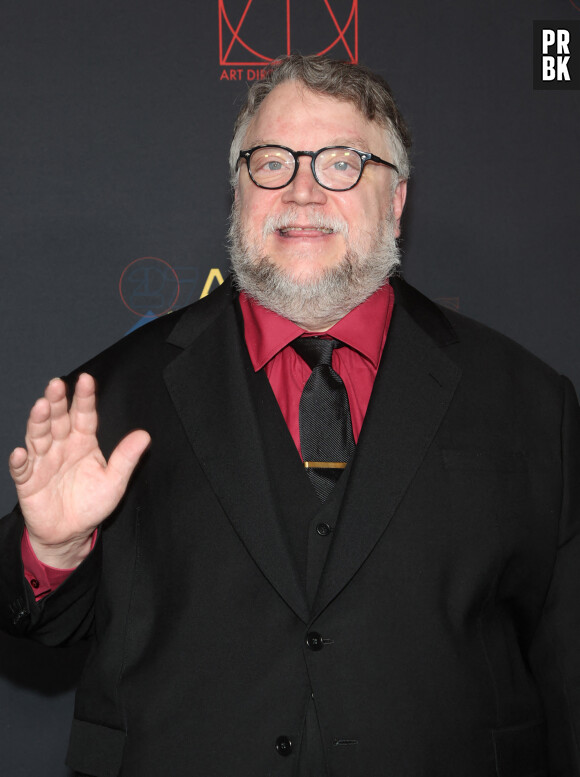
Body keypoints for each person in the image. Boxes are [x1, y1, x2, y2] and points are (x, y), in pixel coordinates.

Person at [1, 53, 579, 777]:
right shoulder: (112, 391)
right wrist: (52, 552)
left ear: (395, 198)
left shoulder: (527, 399)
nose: (302, 190)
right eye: (271, 162)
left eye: (340, 162)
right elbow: (42, 623)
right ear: (238, 190)